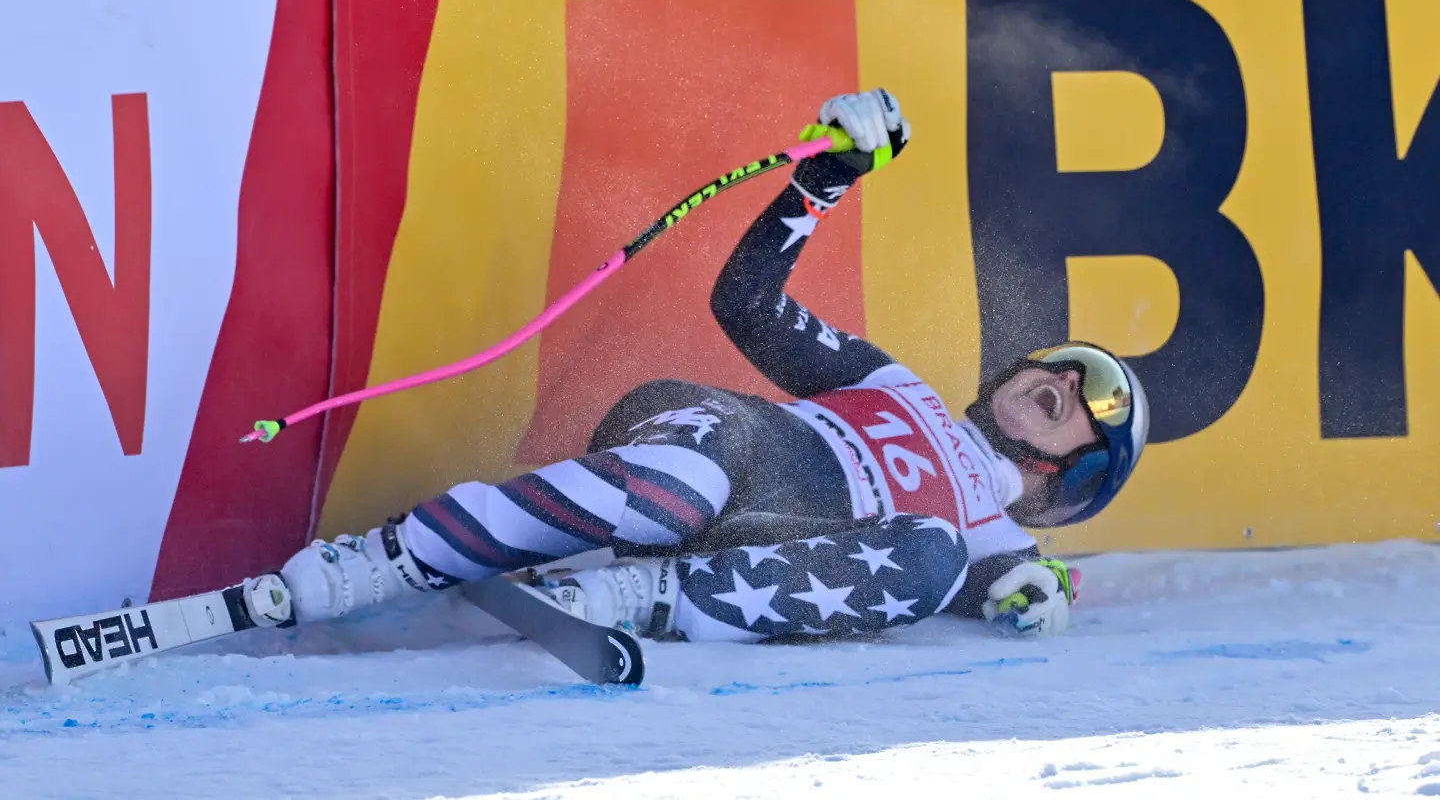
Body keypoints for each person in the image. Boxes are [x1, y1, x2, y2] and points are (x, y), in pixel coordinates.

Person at [271, 89, 1149, 643]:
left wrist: (1035, 592)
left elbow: (997, 588)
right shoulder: (896, 383)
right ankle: (387, 558)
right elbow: (749, 303)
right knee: (690, 476)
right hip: (712, 444)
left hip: (745, 557)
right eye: (1070, 363)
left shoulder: (994, 543)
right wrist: (827, 178)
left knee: (928, 553)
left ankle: (637, 594)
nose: (1070, 379)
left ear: (1075, 472)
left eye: (1097, 394)